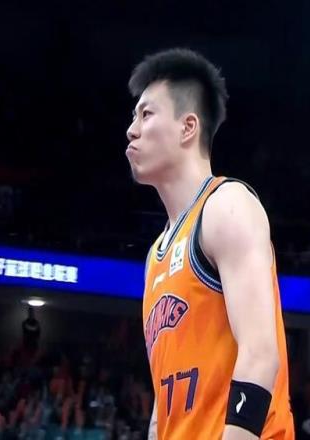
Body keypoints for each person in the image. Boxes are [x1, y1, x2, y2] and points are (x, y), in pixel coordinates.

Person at [125, 48, 294, 439]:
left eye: (146, 114)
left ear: (188, 127)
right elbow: (162, 406)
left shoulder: (227, 206)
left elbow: (260, 354)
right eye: (133, 116)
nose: (131, 129)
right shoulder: (156, 255)